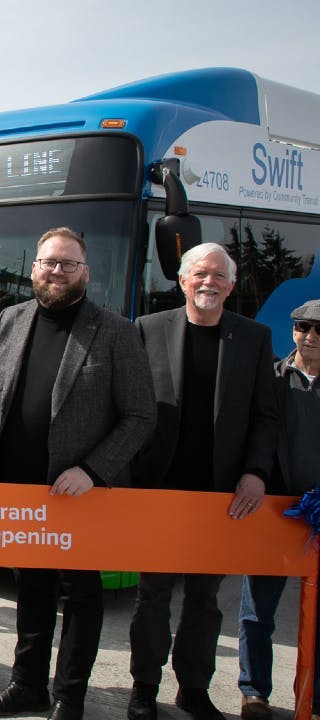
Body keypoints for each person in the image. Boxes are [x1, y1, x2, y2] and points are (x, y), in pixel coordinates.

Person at [0, 227, 155, 720]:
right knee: (31, 589)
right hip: (20, 490)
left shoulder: (116, 331)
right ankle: (26, 685)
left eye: (68, 264)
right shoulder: (10, 319)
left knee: (81, 594)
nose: (57, 271)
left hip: (80, 493)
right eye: (49, 262)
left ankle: (69, 697)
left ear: (85, 273)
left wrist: (92, 470)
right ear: (34, 267)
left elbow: (140, 416)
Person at [127, 242, 278, 720]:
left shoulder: (254, 338)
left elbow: (266, 415)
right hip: (161, 489)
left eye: (219, 276)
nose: (209, 282)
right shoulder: (148, 328)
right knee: (152, 596)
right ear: (183, 280)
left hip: (222, 494)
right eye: (200, 273)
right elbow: (129, 406)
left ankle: (193, 689)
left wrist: (255, 472)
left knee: (205, 599)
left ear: (231, 286)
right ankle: (143, 688)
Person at [237, 298, 320, 720]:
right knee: (257, 610)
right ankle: (254, 693)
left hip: (318, 513)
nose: (311, 336)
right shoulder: (270, 377)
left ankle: (315, 697)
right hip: (274, 509)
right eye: (303, 327)